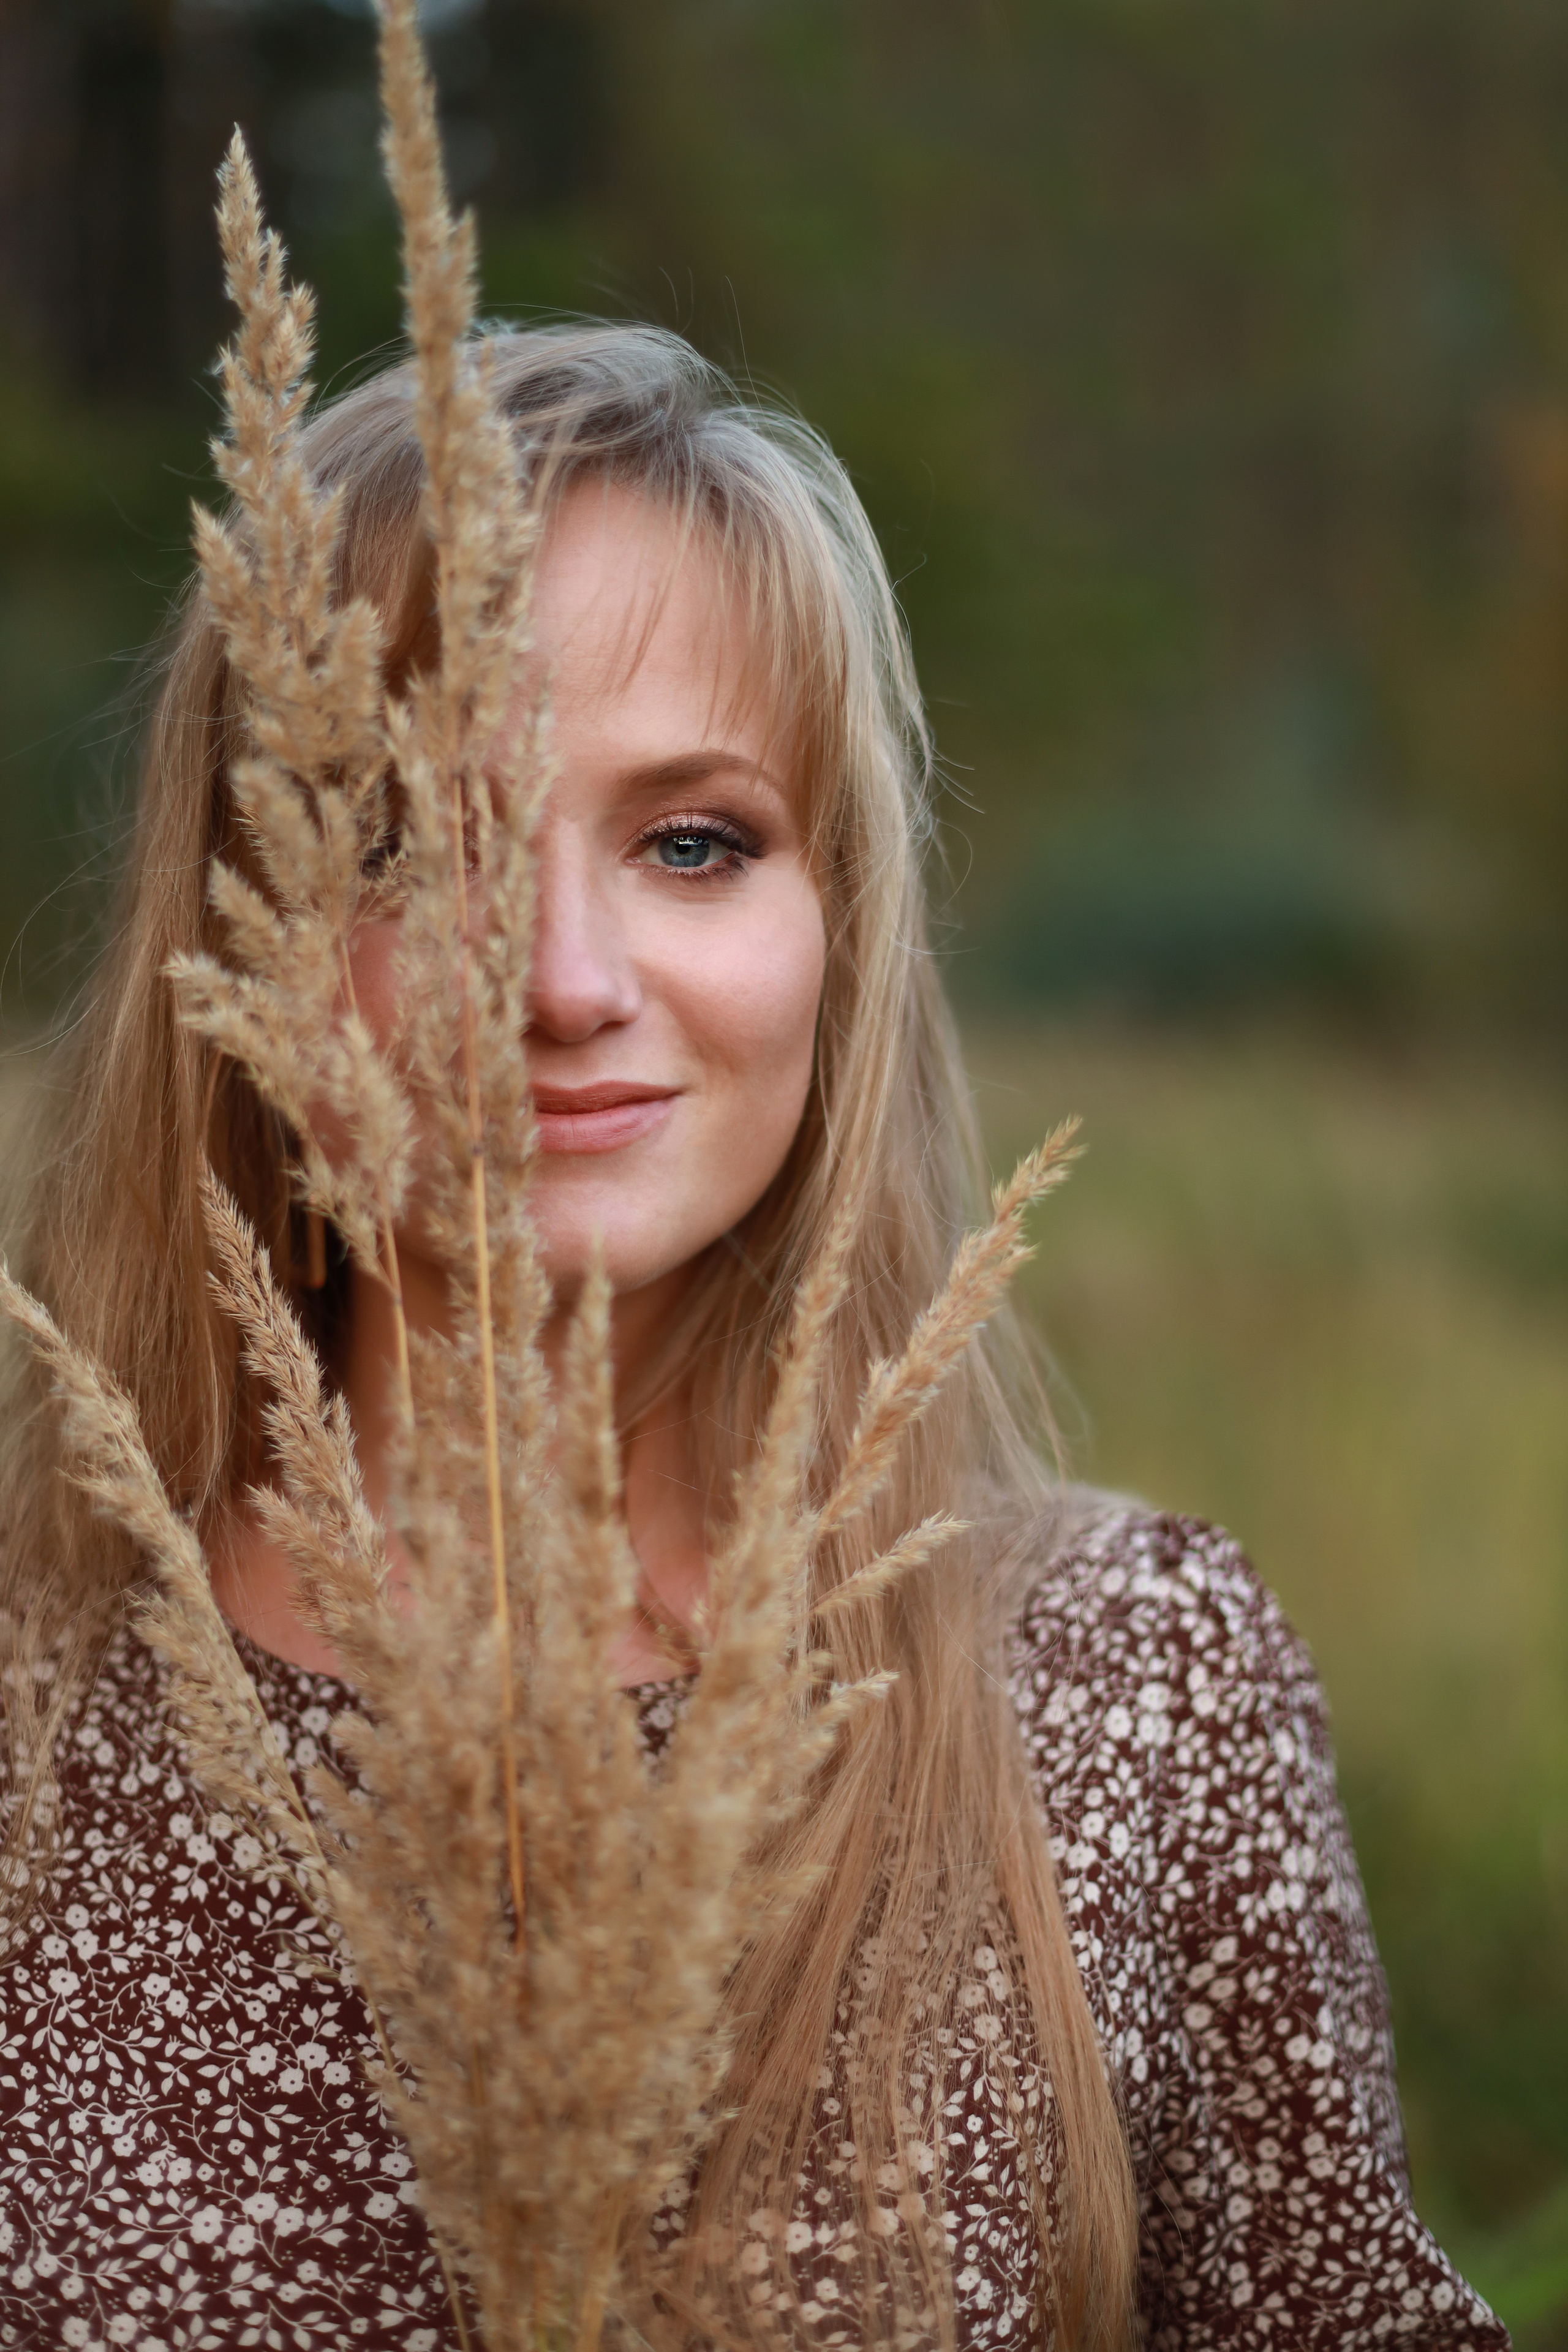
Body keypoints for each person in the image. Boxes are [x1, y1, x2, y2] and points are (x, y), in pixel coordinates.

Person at [0, 325, 1506, 2352]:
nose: (563, 978)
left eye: (692, 841)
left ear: (838, 930)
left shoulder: (1130, 1704)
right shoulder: (31, 1702)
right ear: (237, 933)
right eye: (423, 849)